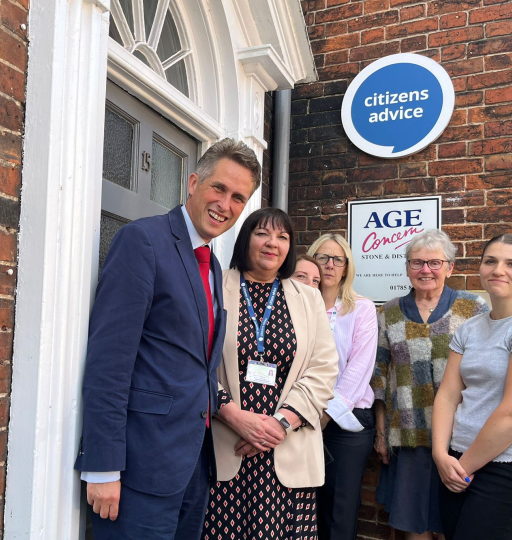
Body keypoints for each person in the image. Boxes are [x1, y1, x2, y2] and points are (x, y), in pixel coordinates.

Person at [75, 138, 261, 540]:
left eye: (238, 198)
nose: (225, 205)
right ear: (194, 182)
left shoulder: (212, 265)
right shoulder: (144, 241)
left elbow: (197, 364)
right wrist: (103, 466)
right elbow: (110, 361)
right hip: (139, 469)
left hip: (193, 467)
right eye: (219, 188)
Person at [204, 208, 338, 540]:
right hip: (227, 445)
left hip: (287, 449)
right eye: (262, 233)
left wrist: (281, 423)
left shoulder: (308, 299)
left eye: (282, 237)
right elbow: (195, 361)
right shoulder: (214, 286)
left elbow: (323, 368)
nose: (272, 243)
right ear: (245, 238)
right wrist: (233, 416)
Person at [432, 234, 512, 540]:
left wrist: (462, 468)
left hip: (505, 469)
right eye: (490, 261)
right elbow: (449, 395)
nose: (498, 270)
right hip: (455, 461)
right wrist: (441, 454)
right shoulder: (470, 327)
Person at [371, 230, 489, 540]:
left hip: (461, 437)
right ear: (407, 267)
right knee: (414, 527)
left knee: (456, 523)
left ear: (450, 267)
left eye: (435, 262)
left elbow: (495, 364)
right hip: (408, 436)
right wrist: (381, 433)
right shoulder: (390, 311)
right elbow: (379, 377)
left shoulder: (474, 308)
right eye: (417, 262)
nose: (426, 270)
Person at [307, 233, 378, 540]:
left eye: (338, 259)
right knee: (302, 506)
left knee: (339, 512)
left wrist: (325, 416)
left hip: (346, 423)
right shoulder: (296, 305)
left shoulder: (361, 309)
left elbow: (358, 370)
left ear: (347, 267)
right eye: (323, 257)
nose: (330, 265)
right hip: (301, 415)